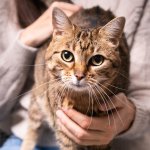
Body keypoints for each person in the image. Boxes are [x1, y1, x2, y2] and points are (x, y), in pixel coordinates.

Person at [0, 0, 150, 150]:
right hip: (20, 132)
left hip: (121, 141)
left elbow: (145, 93)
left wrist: (129, 118)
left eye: (96, 59)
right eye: (67, 56)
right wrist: (25, 40)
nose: (79, 74)